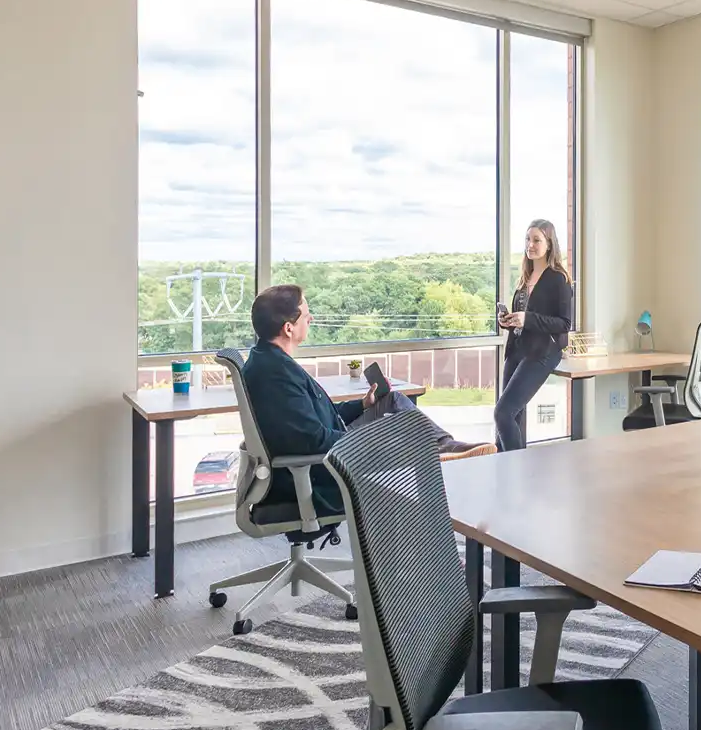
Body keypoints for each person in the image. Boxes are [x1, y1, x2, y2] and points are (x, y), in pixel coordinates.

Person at [240, 284, 493, 517]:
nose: (311, 319)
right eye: (306, 315)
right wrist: (372, 440)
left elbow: (317, 415)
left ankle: (445, 447)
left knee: (392, 399)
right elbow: (311, 439)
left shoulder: (271, 361)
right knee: (407, 466)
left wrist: (362, 405)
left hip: (334, 442)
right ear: (288, 328)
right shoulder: (275, 374)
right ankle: (432, 461)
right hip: (322, 470)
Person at [493, 219, 574, 451]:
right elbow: (523, 319)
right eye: (528, 239)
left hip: (542, 352)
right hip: (518, 348)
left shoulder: (558, 279)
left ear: (549, 244)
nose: (531, 245)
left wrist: (527, 319)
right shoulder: (525, 278)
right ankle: (508, 474)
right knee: (512, 417)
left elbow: (564, 323)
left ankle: (516, 466)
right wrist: (509, 321)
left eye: (537, 240)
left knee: (503, 413)